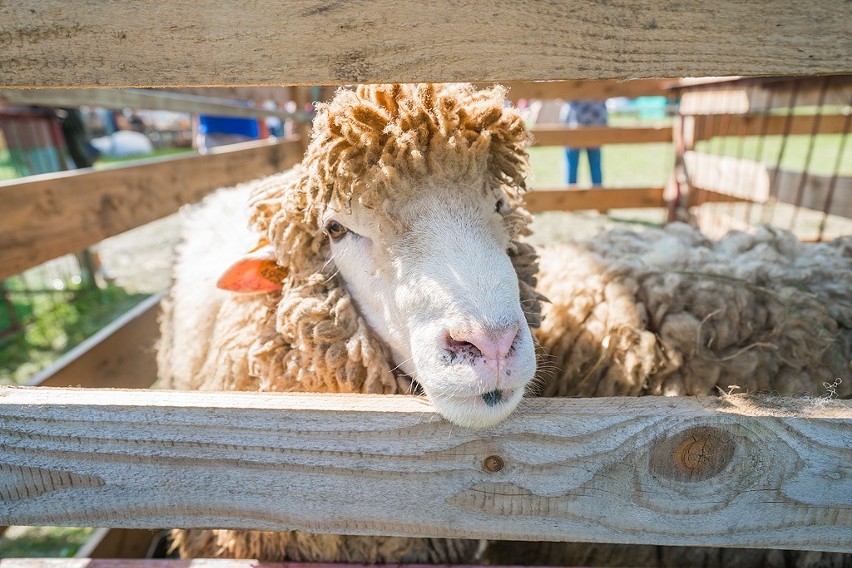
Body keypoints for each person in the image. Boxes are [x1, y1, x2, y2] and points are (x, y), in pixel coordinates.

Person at [560, 100, 608, 186]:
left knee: (574, 163)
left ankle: (572, 194)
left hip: (577, 122)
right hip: (592, 121)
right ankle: (597, 194)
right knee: (594, 163)